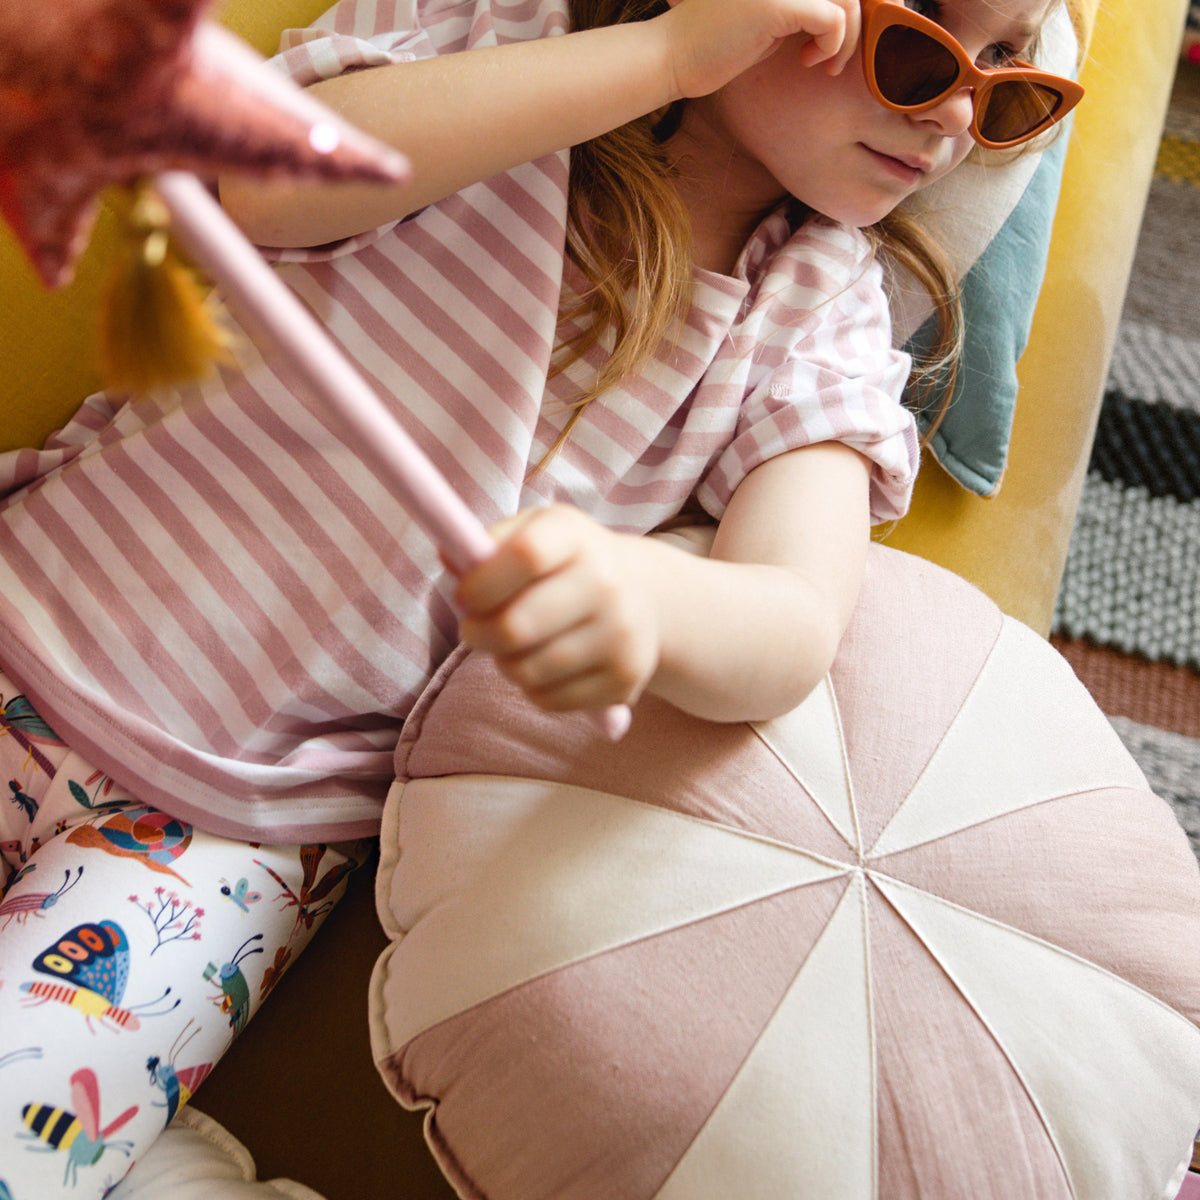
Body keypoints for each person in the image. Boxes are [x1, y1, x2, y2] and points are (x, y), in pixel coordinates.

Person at [0, 0, 1080, 1194]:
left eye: (1011, 82)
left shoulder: (818, 316)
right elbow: (253, 182)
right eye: (921, 52)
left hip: (229, 839)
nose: (956, 119)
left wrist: (650, 602)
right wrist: (668, 55)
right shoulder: (504, 48)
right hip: (29, 608)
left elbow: (792, 622)